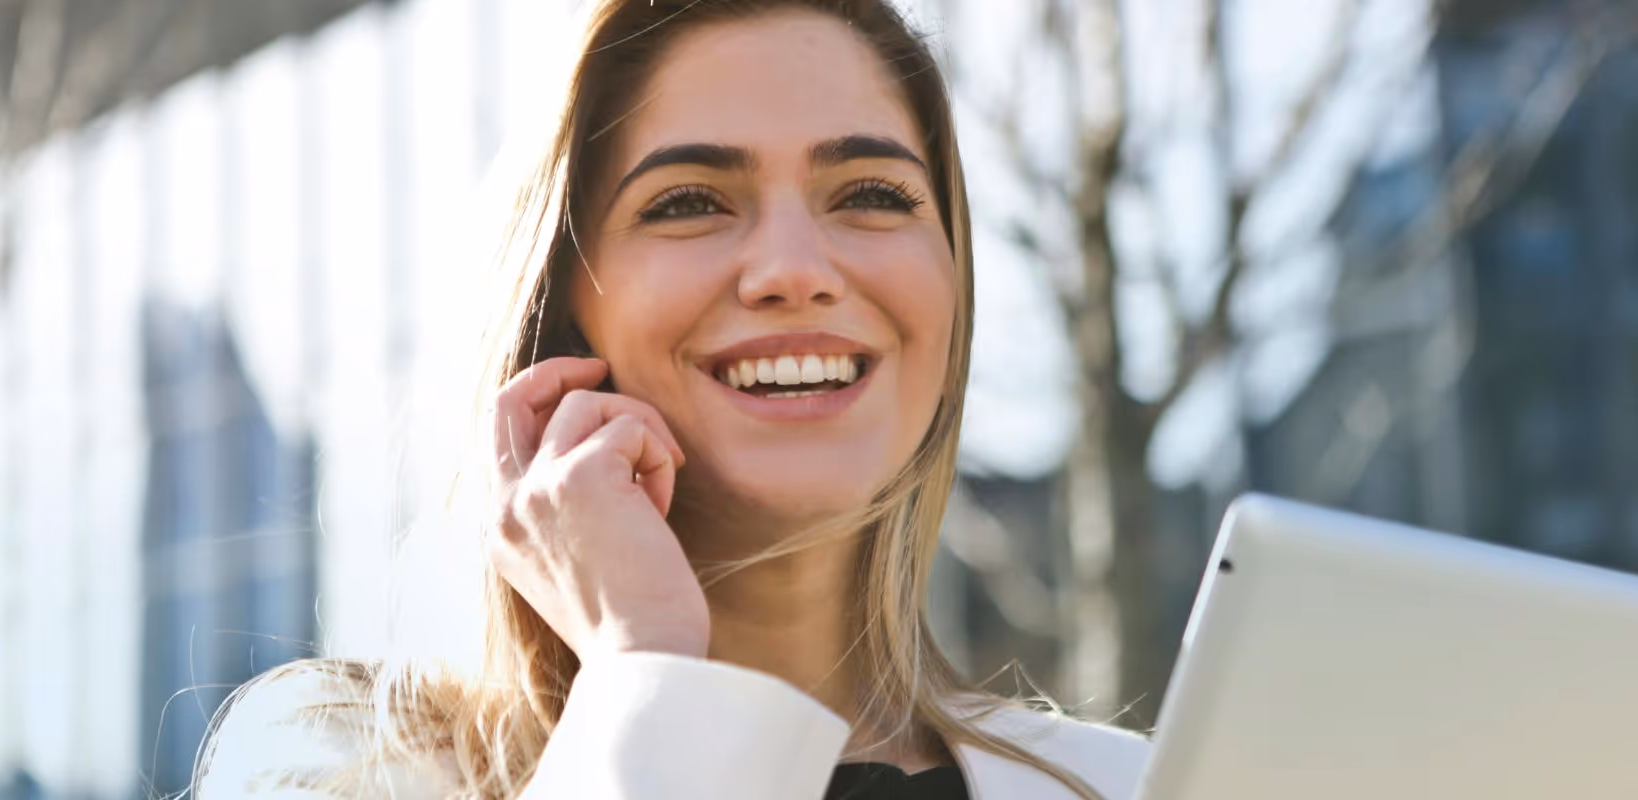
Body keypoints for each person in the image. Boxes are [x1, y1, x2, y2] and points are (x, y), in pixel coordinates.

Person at [194, 1, 1150, 797]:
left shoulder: (1128, 786)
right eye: (690, 201)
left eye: (872, 192)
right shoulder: (335, 769)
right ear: (563, 309)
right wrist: (645, 672)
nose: (795, 271)